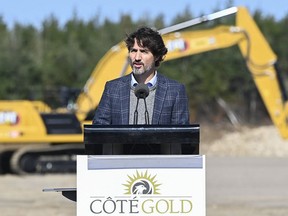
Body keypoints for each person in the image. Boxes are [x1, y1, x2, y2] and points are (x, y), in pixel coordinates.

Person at [92, 26, 190, 125]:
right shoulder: (112, 89)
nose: (137, 57)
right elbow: (99, 132)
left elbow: (181, 136)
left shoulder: (175, 91)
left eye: (144, 51)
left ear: (156, 56)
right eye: (133, 51)